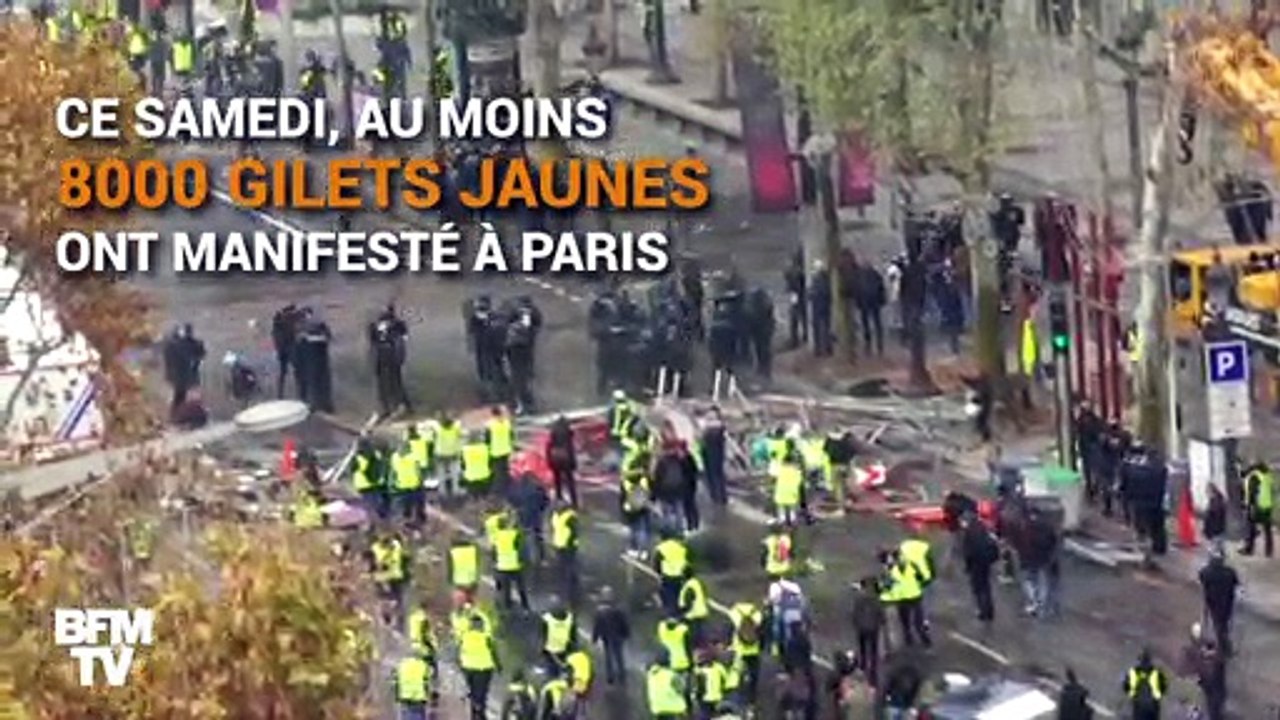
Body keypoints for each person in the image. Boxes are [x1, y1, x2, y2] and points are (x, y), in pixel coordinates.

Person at [370, 304, 411, 417]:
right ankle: (385, 407)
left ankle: (401, 405)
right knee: (383, 383)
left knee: (395, 381)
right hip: (382, 355)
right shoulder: (374, 326)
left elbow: (402, 341)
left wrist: (399, 356)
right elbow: (373, 343)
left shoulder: (398, 325)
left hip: (392, 355)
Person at [1197, 549, 1239, 656]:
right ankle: (1224, 645)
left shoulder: (1205, 572)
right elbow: (1236, 584)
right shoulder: (1230, 572)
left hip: (1213, 603)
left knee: (1216, 624)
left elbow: (1202, 583)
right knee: (1223, 624)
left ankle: (1221, 647)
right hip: (1227, 602)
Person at [458, 613, 500, 720]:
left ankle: (474, 715)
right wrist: (499, 666)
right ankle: (480, 714)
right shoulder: (486, 637)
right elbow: (493, 652)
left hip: (468, 668)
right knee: (481, 695)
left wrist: (460, 666)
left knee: (472, 694)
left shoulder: (465, 636)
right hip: (483, 669)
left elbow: (459, 652)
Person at [591, 586, 631, 685]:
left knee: (609, 657)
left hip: (607, 637)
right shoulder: (618, 608)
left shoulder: (600, 610)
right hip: (618, 636)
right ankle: (621, 675)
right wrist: (626, 633)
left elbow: (597, 625)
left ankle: (610, 677)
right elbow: (623, 622)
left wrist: (595, 638)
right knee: (619, 656)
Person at [728, 600, 763, 705]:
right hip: (754, 650)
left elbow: (729, 630)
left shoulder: (734, 614)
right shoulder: (757, 615)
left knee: (737, 671)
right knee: (754, 674)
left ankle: (739, 692)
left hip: (740, 650)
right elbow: (762, 632)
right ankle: (752, 697)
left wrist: (729, 645)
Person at [850, 578, 884, 686]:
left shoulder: (859, 598)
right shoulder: (876, 598)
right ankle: (873, 675)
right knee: (873, 651)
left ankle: (863, 668)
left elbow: (855, 612)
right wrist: (881, 622)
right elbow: (880, 612)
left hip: (861, 627)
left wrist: (856, 623)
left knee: (863, 649)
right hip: (873, 627)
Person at [1123, 649, 1169, 720]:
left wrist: (1133, 695)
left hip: (1139, 705)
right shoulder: (1156, 672)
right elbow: (1164, 687)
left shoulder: (1134, 672)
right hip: (1153, 706)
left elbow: (1126, 686)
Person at [653, 528, 690, 615]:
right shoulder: (680, 546)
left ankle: (672, 615)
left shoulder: (661, 548)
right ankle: (681, 612)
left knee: (670, 598)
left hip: (668, 576)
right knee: (679, 596)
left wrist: (659, 573)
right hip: (681, 575)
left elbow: (657, 563)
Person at [1242, 459, 1274, 557]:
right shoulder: (1268, 476)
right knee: (1267, 530)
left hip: (1257, 506)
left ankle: (1249, 549)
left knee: (1251, 528)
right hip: (1267, 505)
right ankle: (1269, 551)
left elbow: (1253, 492)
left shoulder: (1255, 477)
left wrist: (1250, 506)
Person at [550, 501, 580, 602]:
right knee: (562, 567)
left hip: (568, 546)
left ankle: (570, 589)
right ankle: (569, 584)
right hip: (559, 544)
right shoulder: (555, 516)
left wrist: (569, 544)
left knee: (569, 567)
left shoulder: (570, 517)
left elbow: (574, 533)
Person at [547, 415, 579, 507]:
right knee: (570, 481)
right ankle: (574, 502)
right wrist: (574, 464)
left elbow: (549, 448)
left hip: (556, 458)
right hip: (566, 459)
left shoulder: (553, 436)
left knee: (557, 481)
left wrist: (550, 462)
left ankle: (559, 498)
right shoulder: (568, 436)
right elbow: (570, 450)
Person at [646, 651, 689, 719]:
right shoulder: (671, 675)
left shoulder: (651, 675)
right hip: (674, 710)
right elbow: (681, 689)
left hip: (658, 710)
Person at [393, 653, 434, 720]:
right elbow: (428, 679)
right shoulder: (423, 665)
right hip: (419, 698)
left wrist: (397, 697)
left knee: (404, 716)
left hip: (404, 697)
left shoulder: (401, 665)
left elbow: (395, 681)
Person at [541, 600, 577, 669]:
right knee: (563, 668)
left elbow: (543, 634)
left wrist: (543, 646)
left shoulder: (547, 618)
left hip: (551, 650)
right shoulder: (570, 618)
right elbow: (573, 636)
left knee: (552, 670)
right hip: (564, 648)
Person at [488, 405, 515, 493]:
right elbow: (511, 436)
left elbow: (487, 439)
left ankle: (499, 491)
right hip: (506, 450)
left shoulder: (491, 425)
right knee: (505, 471)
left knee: (498, 473)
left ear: (493, 414)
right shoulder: (507, 423)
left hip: (495, 451)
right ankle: (508, 489)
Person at [448, 536, 481, 601]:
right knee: (471, 601)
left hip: (459, 581)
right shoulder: (473, 549)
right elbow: (478, 564)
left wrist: (450, 581)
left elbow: (450, 568)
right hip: (472, 580)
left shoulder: (453, 551)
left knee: (460, 603)